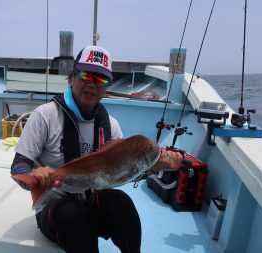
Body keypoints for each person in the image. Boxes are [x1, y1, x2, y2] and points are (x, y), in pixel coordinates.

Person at [11, 45, 183, 253]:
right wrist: (35, 176)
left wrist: (154, 167)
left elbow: (118, 175)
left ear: (107, 86)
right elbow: (18, 167)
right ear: (72, 77)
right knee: (71, 211)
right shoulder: (44, 116)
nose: (92, 84)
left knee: (120, 202)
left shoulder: (111, 125)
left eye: (101, 80)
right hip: (54, 211)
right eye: (86, 75)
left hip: (90, 203)